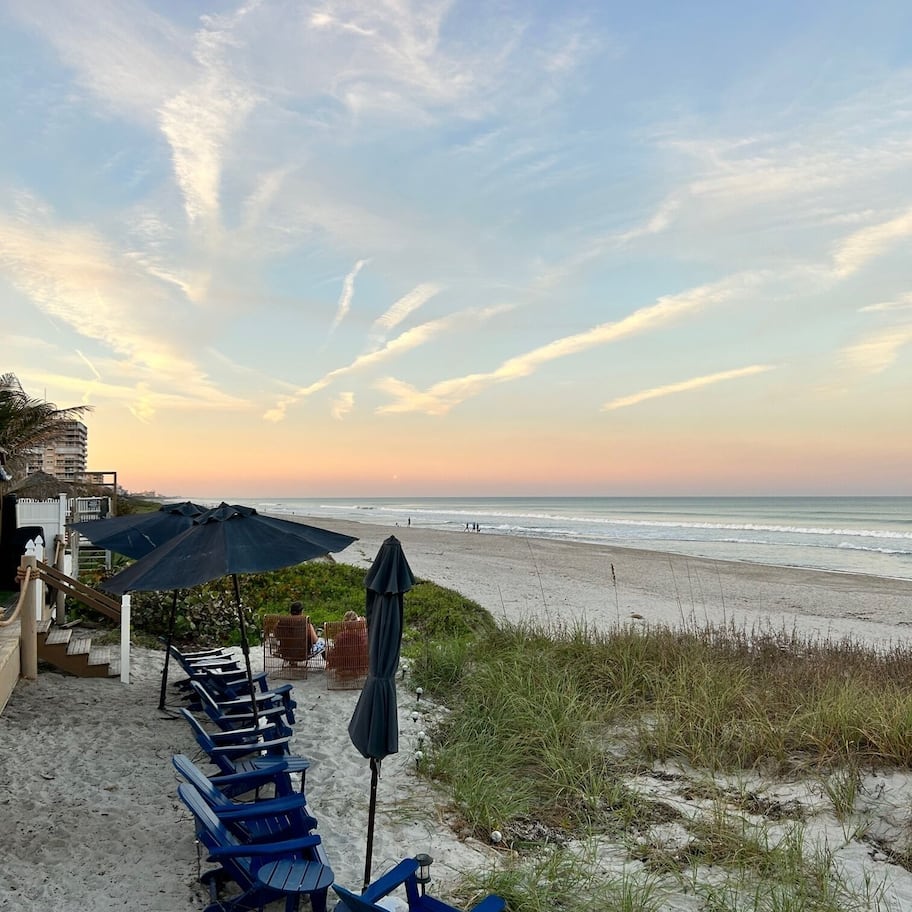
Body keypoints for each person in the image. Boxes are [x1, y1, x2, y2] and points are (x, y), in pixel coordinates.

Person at [327, 609, 368, 677]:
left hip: (342, 666)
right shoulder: (361, 637)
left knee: (328, 649)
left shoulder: (339, 636)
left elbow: (336, 652)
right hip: (357, 665)